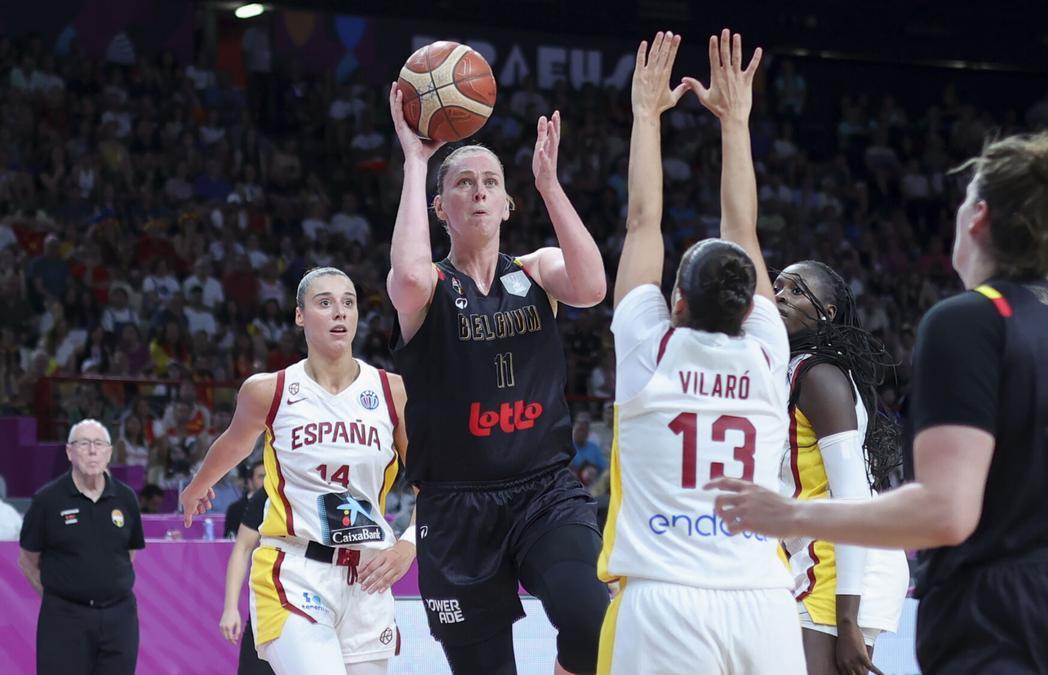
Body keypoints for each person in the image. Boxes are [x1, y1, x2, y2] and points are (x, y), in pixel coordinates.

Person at [710, 132, 1048, 674]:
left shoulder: (968, 320)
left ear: (976, 218)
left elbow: (946, 512)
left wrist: (789, 514)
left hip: (998, 612)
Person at [385, 60, 609, 674]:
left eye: (490, 183)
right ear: (440, 206)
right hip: (456, 507)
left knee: (594, 619)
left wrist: (549, 184)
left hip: (544, 491)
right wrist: (415, 160)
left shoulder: (536, 269)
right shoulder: (429, 286)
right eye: (463, 183)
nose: (478, 191)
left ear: (508, 203)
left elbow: (591, 285)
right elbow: (405, 274)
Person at [595, 30, 801, 675]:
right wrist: (735, 123)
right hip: (764, 600)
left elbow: (642, 222)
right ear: (749, 310)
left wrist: (645, 115)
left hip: (663, 600)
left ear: (675, 302)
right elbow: (742, 230)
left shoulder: (649, 351)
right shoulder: (770, 354)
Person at [181, 267, 410, 675]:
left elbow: (437, 483)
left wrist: (408, 546)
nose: (339, 312)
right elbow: (235, 443)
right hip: (294, 571)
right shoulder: (269, 389)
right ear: (300, 315)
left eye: (348, 302)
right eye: (325, 303)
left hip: (368, 576)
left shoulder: (392, 391)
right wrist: (197, 486)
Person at [773, 260, 908, 675]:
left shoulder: (820, 378)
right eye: (777, 287)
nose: (780, 296)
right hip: (813, 558)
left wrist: (847, 621)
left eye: (796, 291)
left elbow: (849, 501)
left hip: (839, 568)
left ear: (827, 313)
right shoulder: (788, 370)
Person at [18, 418, 145, 675]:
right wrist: (61, 599)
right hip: (64, 619)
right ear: (69, 452)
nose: (92, 450)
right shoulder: (47, 500)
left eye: (99, 444)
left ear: (109, 452)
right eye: (84, 443)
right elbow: (28, 560)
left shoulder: (126, 498)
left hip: (119, 618)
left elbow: (128, 553)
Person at [221, 485, 275, 675]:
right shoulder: (271, 491)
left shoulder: (349, 484)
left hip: (327, 603)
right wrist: (230, 608)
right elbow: (242, 548)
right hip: (271, 605)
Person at [226, 459, 267, 538]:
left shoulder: (282, 506)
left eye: (269, 476)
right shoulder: (235, 509)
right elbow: (230, 538)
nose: (266, 480)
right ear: (250, 482)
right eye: (261, 476)